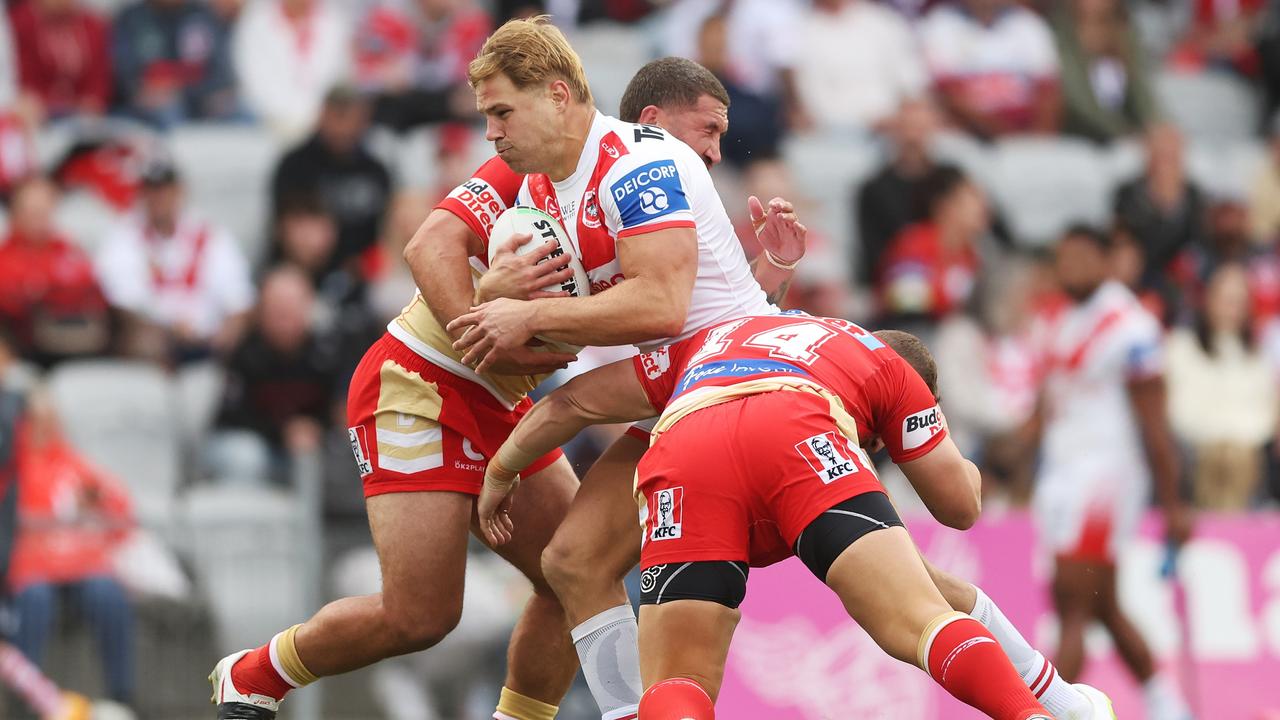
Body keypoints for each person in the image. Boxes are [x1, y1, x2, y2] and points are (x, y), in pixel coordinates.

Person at [210, 30, 804, 720]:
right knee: (421, 616)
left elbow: (710, 323)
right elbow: (428, 243)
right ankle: (254, 673)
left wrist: (776, 274)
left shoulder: (656, 191)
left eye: (500, 116)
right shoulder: (545, 166)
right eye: (707, 132)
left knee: (573, 567)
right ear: (652, 124)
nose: (713, 153)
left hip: (506, 401)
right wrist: (484, 317)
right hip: (418, 385)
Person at [475, 319, 1111, 719]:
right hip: (796, 434)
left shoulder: (728, 332)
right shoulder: (885, 365)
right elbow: (961, 507)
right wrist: (943, 445)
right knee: (918, 621)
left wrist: (500, 473)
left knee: (680, 680)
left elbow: (577, 399)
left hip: (685, 446)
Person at [1028, 225, 1194, 720]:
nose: (1069, 268)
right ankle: (1168, 706)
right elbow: (1048, 403)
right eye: (1063, 257)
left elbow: (1155, 425)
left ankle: (1054, 713)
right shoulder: (1057, 317)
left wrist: (1173, 504)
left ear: (1106, 261)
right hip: (1061, 473)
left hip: (1107, 477)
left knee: (1073, 604)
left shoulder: (1132, 327)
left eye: (1081, 257)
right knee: (1099, 603)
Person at [8, 389, 136, 708]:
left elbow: (118, 504)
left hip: (80, 563)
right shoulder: (12, 466)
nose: (43, 429)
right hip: (31, 567)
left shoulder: (71, 462)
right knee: (33, 599)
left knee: (108, 594)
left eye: (50, 421)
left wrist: (96, 507)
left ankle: (121, 696)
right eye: (36, 421)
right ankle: (26, 701)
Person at [93, 159, 254, 365]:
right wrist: (170, 328)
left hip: (210, 341)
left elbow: (238, 297)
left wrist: (228, 331)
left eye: (166, 190)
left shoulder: (211, 235)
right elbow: (122, 301)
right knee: (143, 341)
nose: (159, 198)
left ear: (180, 191)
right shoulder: (122, 238)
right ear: (142, 195)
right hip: (154, 340)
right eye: (152, 190)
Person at [1167, 263, 1277, 509]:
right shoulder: (1180, 347)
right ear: (1207, 299)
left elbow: (1264, 416)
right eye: (1225, 299)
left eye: (1238, 301)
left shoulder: (1258, 356)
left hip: (1248, 461)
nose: (1231, 309)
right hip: (1193, 456)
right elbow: (1178, 413)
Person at [270, 86, 393, 270]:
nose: (343, 127)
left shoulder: (375, 171)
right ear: (322, 115)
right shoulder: (295, 165)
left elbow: (385, 230)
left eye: (350, 117)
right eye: (337, 115)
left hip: (362, 271)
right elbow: (287, 227)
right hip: (302, 268)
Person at [0, 176, 109, 366]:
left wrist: (48, 289)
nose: (39, 218)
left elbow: (94, 288)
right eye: (32, 211)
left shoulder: (67, 248)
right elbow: (13, 301)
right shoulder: (6, 255)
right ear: (15, 213)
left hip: (79, 341)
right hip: (28, 350)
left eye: (44, 210)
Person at [918, 0, 1061, 139]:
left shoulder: (1028, 24)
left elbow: (1048, 93)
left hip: (1026, 136)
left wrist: (1039, 140)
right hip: (970, 137)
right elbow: (949, 95)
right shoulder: (941, 23)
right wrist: (1002, 135)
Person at [231, 0, 351, 141]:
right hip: (265, 120)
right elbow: (253, 80)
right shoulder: (256, 20)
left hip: (321, 124)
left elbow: (338, 75)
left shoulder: (334, 21)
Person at [111, 0, 240, 127]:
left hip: (200, 102)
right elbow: (124, 77)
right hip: (149, 110)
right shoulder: (131, 18)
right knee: (169, 111)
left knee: (243, 115)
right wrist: (141, 92)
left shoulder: (204, 16)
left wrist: (182, 91)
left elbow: (221, 75)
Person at [1052, 0, 1159, 143]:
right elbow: (1076, 99)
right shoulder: (1058, 35)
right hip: (1078, 137)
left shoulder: (1124, 35)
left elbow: (1142, 93)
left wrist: (1156, 126)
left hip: (1124, 138)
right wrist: (1123, 132)